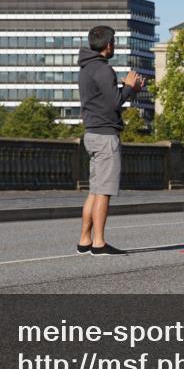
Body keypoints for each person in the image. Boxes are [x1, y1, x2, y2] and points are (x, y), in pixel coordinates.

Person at [77, 25, 144, 256]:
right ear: (108, 45)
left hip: (91, 133)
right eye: (113, 42)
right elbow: (115, 102)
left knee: (95, 191)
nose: (114, 45)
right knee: (103, 192)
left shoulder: (85, 68)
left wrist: (127, 89)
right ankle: (99, 242)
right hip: (106, 136)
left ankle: (84, 240)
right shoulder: (104, 70)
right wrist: (130, 88)